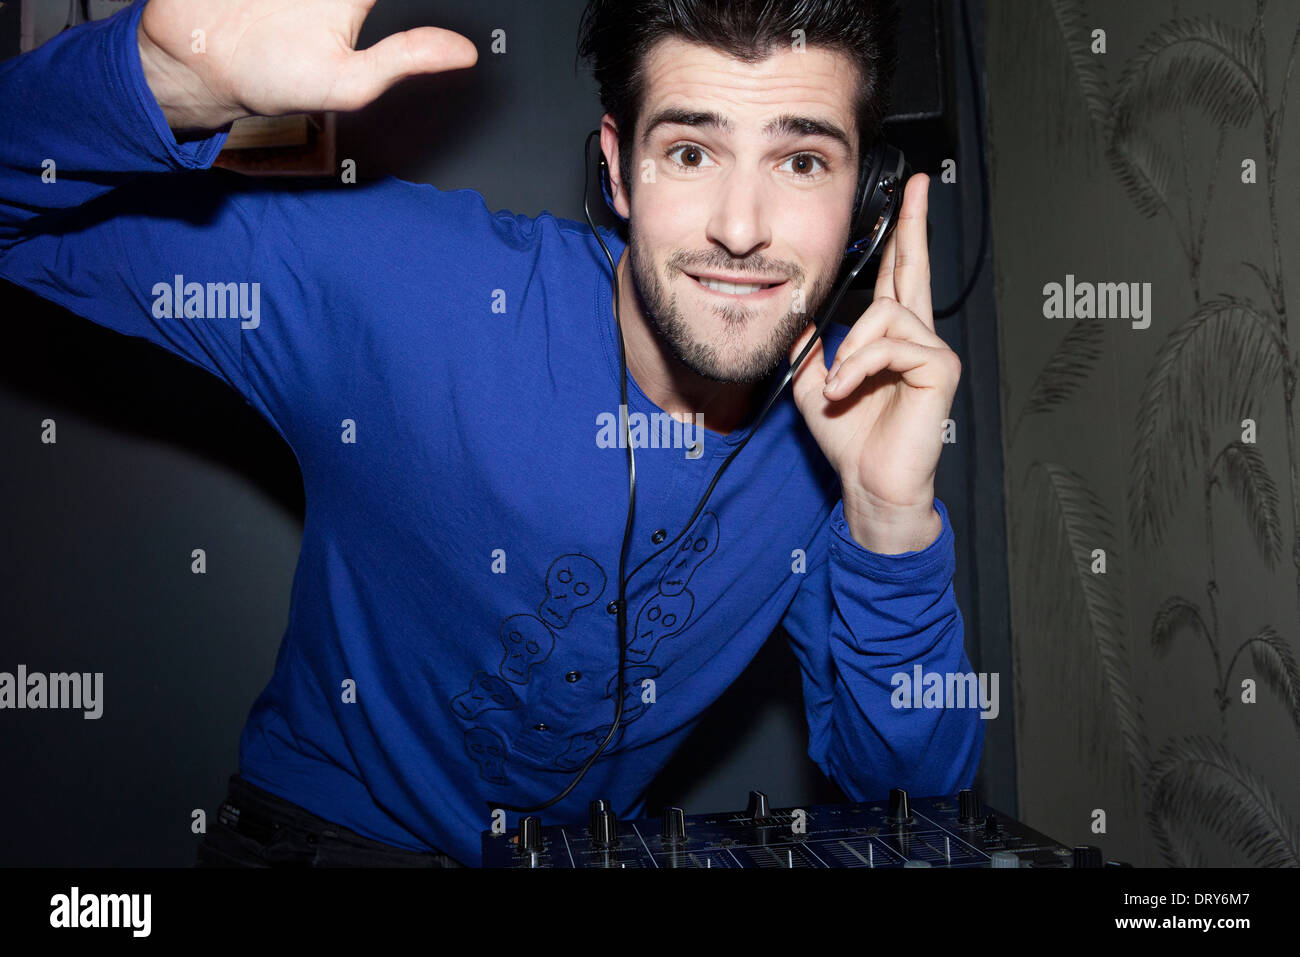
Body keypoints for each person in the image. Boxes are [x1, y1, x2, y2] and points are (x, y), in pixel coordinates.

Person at [0, 0, 982, 868]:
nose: (740, 224)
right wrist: (162, 80)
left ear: (864, 198)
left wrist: (888, 523)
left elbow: (911, 803)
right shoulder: (407, 288)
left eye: (801, 159)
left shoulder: (851, 417)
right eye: (690, 150)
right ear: (618, 170)